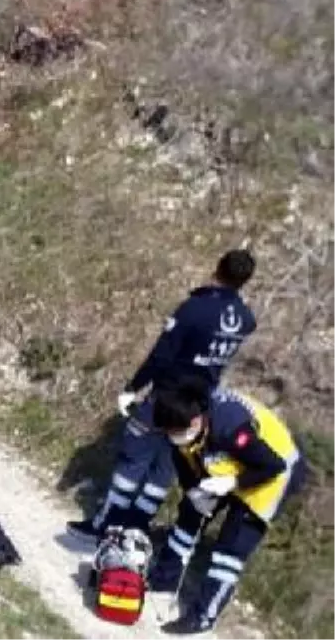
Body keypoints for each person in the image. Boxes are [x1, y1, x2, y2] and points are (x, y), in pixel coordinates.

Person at [68, 249, 257, 541]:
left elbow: (162, 355)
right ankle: (136, 528)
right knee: (165, 470)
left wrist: (133, 388)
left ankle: (106, 525)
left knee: (133, 461)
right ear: (245, 280)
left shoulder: (194, 308)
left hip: (165, 398)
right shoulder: (245, 320)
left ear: (217, 268)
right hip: (197, 408)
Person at [146, 376, 306, 635]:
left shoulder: (231, 428)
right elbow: (183, 457)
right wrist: (194, 492)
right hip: (229, 461)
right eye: (168, 433)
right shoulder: (184, 418)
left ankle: (202, 617)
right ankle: (163, 580)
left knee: (229, 549)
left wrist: (232, 483)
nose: (172, 437)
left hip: (272, 474)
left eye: (175, 432)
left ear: (196, 422)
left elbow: (272, 466)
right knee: (189, 517)